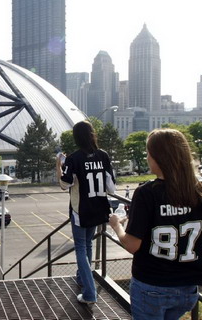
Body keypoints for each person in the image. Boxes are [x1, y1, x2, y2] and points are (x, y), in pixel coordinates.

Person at [109, 128, 202, 319]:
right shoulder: (200, 190)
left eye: (148, 153)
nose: (147, 158)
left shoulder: (146, 192)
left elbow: (131, 245)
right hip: (187, 290)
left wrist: (116, 226)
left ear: (157, 157)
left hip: (151, 286)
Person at [56, 120, 116, 305]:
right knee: (88, 245)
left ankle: (90, 293)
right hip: (99, 209)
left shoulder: (74, 158)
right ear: (92, 134)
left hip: (80, 211)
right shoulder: (103, 155)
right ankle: (83, 279)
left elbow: (64, 184)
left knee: (81, 248)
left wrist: (58, 165)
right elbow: (111, 188)